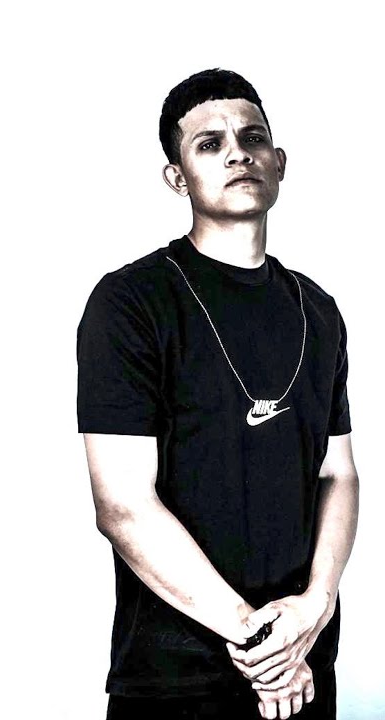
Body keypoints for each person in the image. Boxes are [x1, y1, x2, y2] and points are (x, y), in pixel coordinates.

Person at [76, 68, 360, 720]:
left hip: (304, 667)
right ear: (177, 177)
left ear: (279, 163)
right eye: (210, 143)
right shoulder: (131, 303)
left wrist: (315, 607)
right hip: (177, 680)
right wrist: (258, 641)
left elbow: (338, 474)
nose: (238, 153)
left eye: (252, 138)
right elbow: (121, 505)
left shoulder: (318, 310)